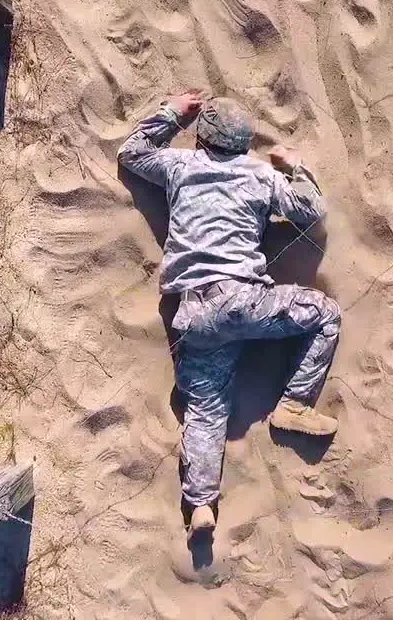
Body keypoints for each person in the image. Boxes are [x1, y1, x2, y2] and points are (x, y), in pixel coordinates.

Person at [118, 90, 341, 536]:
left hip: (196, 313)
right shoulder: (260, 176)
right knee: (325, 314)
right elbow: (310, 210)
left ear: (203, 138)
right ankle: (294, 404)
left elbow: (132, 153)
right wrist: (294, 166)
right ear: (244, 142)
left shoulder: (181, 165)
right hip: (247, 303)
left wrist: (173, 114)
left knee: (205, 409)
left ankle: (201, 504)